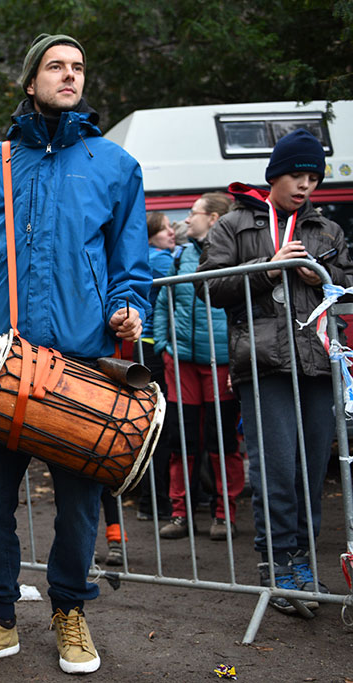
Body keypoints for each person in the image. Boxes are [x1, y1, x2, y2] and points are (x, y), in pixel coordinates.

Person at [0, 34, 150, 673]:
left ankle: (71, 614)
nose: (69, 75)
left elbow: (128, 265)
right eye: (56, 66)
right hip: (1, 362)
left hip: (82, 366)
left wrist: (129, 305)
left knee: (80, 504)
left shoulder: (115, 165)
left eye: (78, 67)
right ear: (31, 81)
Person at [198, 129, 351, 613]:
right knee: (277, 469)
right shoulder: (235, 224)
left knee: (310, 472)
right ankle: (277, 565)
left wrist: (326, 278)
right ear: (273, 176)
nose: (305, 186)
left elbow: (347, 283)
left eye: (312, 177)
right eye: (296, 175)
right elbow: (209, 288)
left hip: (318, 361)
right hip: (263, 364)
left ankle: (302, 563)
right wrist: (267, 268)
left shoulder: (325, 230)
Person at [155, 192, 242, 542]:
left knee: (223, 442)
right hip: (182, 363)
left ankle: (225, 515)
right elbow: (164, 302)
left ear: (216, 219)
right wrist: (165, 347)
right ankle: (179, 514)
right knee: (182, 440)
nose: (187, 220)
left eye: (193, 213)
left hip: (220, 363)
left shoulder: (235, 255)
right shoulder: (180, 256)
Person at [134, 212, 176, 522]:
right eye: (165, 230)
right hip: (154, 348)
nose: (172, 233)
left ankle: (148, 501)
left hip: (137, 348)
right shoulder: (161, 260)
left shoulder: (139, 256)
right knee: (163, 426)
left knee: (146, 425)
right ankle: (159, 501)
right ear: (151, 236)